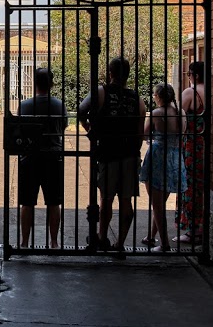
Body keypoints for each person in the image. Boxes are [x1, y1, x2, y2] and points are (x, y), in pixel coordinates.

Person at [76, 56, 146, 259]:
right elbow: (140, 131)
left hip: (108, 152)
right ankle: (120, 244)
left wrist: (90, 130)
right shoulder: (137, 98)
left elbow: (81, 110)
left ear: (110, 73)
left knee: (106, 198)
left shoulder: (101, 92)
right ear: (128, 75)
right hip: (130, 154)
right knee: (126, 200)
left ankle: (101, 237)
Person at [17, 67, 66, 248]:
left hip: (30, 157)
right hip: (53, 156)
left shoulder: (25, 105)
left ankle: (24, 242)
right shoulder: (59, 105)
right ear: (52, 83)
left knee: (27, 202)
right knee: (54, 202)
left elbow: (19, 129)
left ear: (35, 83)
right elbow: (63, 126)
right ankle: (53, 242)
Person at [139, 82, 188, 252]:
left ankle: (164, 243)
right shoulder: (180, 112)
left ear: (158, 96)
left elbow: (144, 133)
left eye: (154, 95)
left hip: (158, 157)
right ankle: (151, 236)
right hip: (175, 157)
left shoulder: (156, 113)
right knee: (160, 202)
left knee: (157, 205)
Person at [177, 61, 206, 244]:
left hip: (191, 145)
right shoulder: (211, 91)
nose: (188, 78)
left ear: (194, 76)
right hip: (206, 144)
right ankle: (203, 226)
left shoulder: (191, 92)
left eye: (189, 74)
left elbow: (179, 119)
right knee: (203, 187)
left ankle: (192, 230)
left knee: (189, 186)